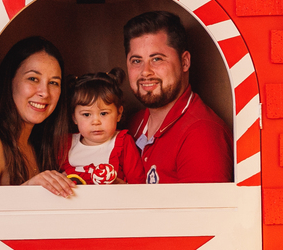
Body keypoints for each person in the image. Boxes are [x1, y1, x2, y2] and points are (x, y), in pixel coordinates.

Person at [124, 10, 233, 183]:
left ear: (184, 62)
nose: (145, 71)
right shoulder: (132, 123)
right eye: (137, 61)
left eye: (157, 59)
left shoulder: (201, 135)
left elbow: (203, 210)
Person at [0, 36, 75, 197]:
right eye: (33, 79)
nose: (44, 92)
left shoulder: (39, 143)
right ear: (10, 81)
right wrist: (26, 192)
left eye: (53, 83)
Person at [59, 69, 146, 185]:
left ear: (118, 114)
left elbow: (138, 185)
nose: (96, 122)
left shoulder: (123, 143)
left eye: (103, 113)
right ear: (74, 117)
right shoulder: (65, 145)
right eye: (86, 114)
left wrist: (122, 187)